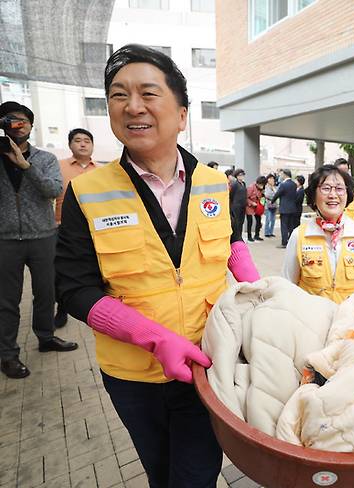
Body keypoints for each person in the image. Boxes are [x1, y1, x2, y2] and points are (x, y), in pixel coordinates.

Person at [55, 44, 260, 487]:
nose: (132, 107)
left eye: (148, 93)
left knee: (196, 474)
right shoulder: (87, 192)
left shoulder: (216, 184)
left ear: (181, 114)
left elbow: (232, 242)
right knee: (159, 471)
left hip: (206, 365)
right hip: (131, 376)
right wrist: (151, 337)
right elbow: (73, 287)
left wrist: (262, 294)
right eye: (118, 95)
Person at [0, 101, 78, 379]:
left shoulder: (44, 159)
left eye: (22, 121)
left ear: (31, 126)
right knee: (7, 300)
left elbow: (54, 189)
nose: (17, 126)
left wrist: (26, 166)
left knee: (46, 292)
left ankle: (46, 337)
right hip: (5, 239)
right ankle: (8, 355)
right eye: (10, 120)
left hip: (43, 236)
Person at [282, 164, 354, 303]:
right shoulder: (299, 235)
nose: (333, 195)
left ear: (347, 195)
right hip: (312, 321)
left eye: (340, 189)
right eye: (326, 188)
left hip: (351, 320)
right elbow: (287, 287)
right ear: (313, 195)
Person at [54, 128, 98, 328]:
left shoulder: (100, 170)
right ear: (70, 144)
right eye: (77, 140)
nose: (82, 144)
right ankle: (62, 308)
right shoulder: (59, 167)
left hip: (94, 229)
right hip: (62, 228)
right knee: (61, 272)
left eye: (86, 140)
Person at [271, 168, 297, 248]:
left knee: (284, 226)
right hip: (292, 208)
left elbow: (277, 194)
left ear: (285, 174)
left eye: (282, 174)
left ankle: (284, 243)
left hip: (284, 208)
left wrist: (272, 201)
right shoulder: (294, 184)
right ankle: (292, 242)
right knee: (291, 226)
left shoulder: (283, 184)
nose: (280, 175)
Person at [246, 175, 266, 242]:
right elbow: (246, 198)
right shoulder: (251, 188)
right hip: (250, 207)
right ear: (257, 183)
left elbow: (262, 197)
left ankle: (257, 235)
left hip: (257, 207)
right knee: (250, 222)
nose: (262, 186)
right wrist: (252, 203)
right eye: (261, 184)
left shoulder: (262, 188)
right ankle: (249, 236)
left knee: (258, 221)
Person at [229, 168, 247, 241]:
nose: (241, 177)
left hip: (243, 205)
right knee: (237, 222)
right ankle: (236, 237)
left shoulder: (244, 184)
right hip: (236, 206)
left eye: (243, 175)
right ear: (236, 176)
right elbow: (231, 195)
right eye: (240, 175)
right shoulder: (235, 184)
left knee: (241, 221)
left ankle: (240, 235)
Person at [263, 173, 278, 238]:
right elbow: (267, 195)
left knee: (273, 220)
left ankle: (271, 232)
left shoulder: (274, 187)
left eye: (273, 179)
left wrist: (273, 190)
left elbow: (277, 194)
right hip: (268, 205)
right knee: (268, 219)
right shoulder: (266, 187)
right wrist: (273, 195)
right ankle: (267, 232)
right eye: (270, 178)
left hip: (274, 205)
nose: (272, 180)